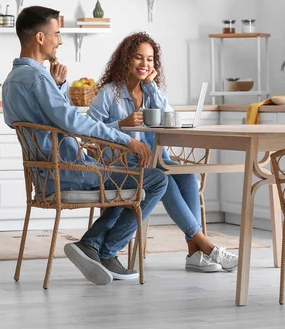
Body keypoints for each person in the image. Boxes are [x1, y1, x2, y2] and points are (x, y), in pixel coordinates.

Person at [2, 7, 168, 285]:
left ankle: (93, 246)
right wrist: (126, 139)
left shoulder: (12, 80)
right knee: (155, 179)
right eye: (57, 34)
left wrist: (58, 85)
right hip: (71, 172)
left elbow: (50, 120)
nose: (60, 40)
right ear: (41, 38)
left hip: (45, 177)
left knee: (123, 179)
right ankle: (104, 249)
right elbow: (73, 123)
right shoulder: (36, 78)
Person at [87, 32, 238, 272]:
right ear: (126, 59)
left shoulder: (149, 90)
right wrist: (122, 124)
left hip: (157, 158)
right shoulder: (108, 93)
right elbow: (90, 133)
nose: (144, 64)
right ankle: (206, 246)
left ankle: (193, 252)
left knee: (186, 176)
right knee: (164, 177)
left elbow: (169, 116)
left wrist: (151, 86)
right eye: (138, 58)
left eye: (149, 59)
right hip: (122, 164)